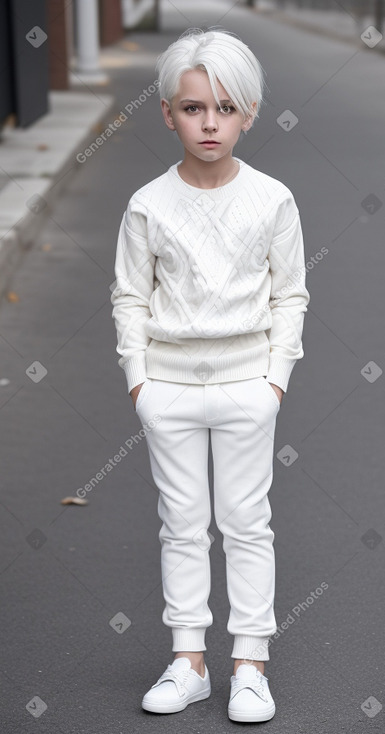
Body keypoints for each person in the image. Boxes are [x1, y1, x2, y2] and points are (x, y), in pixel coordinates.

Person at [110, 26, 310, 723]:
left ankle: (249, 663)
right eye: (193, 108)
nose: (209, 123)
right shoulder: (147, 204)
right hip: (167, 389)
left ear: (248, 113)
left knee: (246, 521)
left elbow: (290, 293)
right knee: (182, 522)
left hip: (246, 386)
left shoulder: (272, 200)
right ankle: (188, 660)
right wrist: (140, 381)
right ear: (167, 112)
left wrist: (273, 380)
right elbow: (131, 296)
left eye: (225, 108)